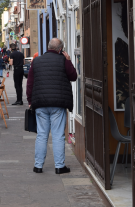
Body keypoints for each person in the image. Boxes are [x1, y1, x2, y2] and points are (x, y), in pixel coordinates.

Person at [27, 38, 77, 175]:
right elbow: (73, 76)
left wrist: (30, 100)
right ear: (60, 49)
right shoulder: (63, 60)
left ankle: (38, 166)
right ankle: (60, 167)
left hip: (40, 103)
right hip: (58, 103)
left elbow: (30, 83)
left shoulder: (36, 61)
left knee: (42, 135)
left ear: (48, 47)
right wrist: (68, 60)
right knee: (58, 135)